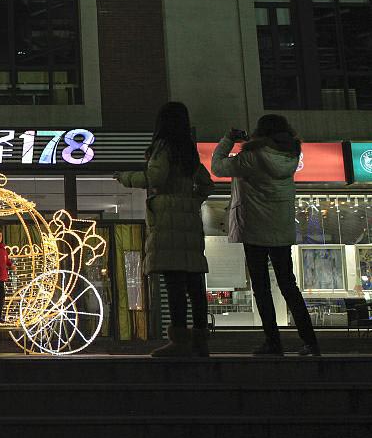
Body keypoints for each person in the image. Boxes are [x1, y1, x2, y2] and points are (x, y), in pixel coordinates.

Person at [211, 115, 321, 356]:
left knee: (261, 288)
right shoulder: (290, 156)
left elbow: (218, 167)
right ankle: (311, 342)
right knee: (289, 286)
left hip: (254, 230)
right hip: (281, 231)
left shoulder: (251, 157)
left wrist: (229, 139)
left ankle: (273, 342)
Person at [116, 102, 214, 357]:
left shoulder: (163, 148)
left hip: (168, 220)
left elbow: (155, 178)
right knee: (194, 283)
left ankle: (179, 340)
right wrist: (192, 201)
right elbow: (206, 184)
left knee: (174, 283)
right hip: (189, 221)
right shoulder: (189, 152)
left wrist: (125, 177)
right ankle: (200, 340)